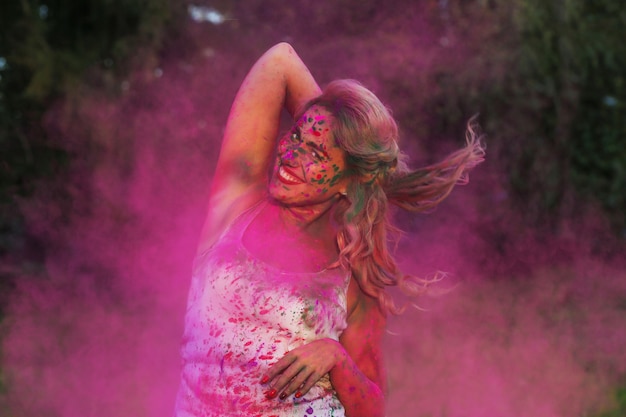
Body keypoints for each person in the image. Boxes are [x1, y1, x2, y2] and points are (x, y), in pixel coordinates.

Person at [173, 42, 484, 417]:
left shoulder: (351, 273)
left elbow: (372, 409)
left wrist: (337, 359)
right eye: (296, 137)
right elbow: (280, 60)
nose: (289, 155)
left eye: (316, 155)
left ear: (347, 181)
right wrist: (344, 131)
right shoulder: (233, 208)